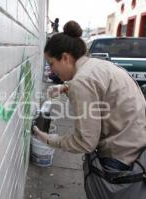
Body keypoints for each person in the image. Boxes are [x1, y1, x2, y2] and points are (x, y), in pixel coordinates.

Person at [33, 20, 146, 199]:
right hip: (137, 145)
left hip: (121, 157)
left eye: (52, 63)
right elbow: (101, 89)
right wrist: (64, 87)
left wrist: (48, 139)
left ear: (65, 57)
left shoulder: (82, 81)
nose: (52, 71)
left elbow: (85, 142)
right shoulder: (96, 65)